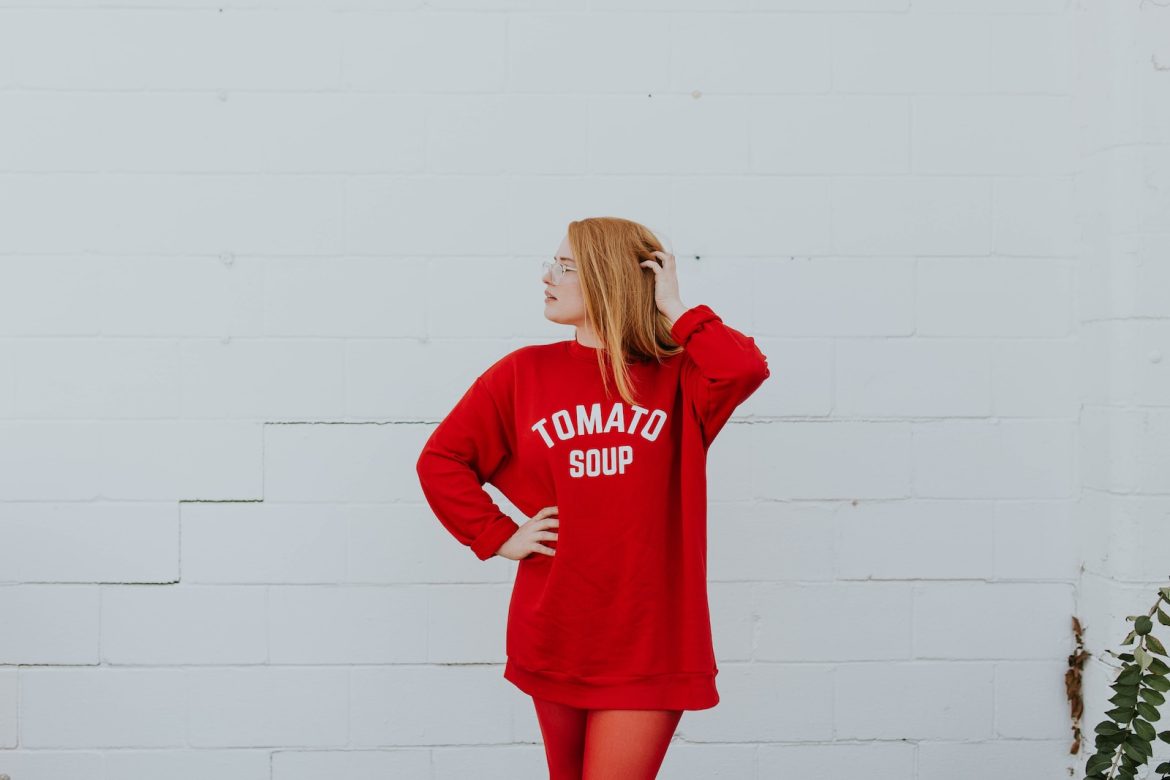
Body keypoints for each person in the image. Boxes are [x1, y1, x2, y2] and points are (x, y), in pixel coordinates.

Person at [415, 216, 771, 779]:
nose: (546, 277)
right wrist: (498, 534)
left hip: (651, 639)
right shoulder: (522, 374)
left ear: (608, 277)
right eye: (550, 264)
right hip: (555, 626)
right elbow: (441, 460)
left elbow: (744, 367)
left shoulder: (680, 376)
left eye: (565, 266)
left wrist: (675, 307)